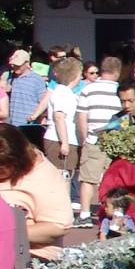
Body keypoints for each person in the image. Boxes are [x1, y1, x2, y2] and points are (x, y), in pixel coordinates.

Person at [0, 124, 75, 259]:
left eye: (2, 167)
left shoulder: (44, 177)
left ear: (18, 160)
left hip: (29, 254)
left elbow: (58, 226)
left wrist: (1, 233)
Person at [75, 56, 123, 219]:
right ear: (117, 72)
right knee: (114, 177)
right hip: (116, 140)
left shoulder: (88, 89)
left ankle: (84, 213)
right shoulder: (121, 90)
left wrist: (85, 137)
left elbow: (82, 116)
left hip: (94, 139)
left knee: (88, 178)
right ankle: (114, 212)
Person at [43, 55, 83, 186]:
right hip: (59, 141)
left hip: (66, 139)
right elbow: (59, 117)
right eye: (80, 74)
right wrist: (64, 143)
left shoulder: (68, 93)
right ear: (74, 76)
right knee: (62, 179)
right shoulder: (62, 93)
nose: (81, 77)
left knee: (67, 176)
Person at [4, 49, 49, 144]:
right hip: (14, 126)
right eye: (13, 64)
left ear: (27, 63)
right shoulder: (11, 78)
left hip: (30, 126)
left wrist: (39, 117)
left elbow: (44, 102)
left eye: (18, 64)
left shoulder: (37, 80)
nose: (15, 67)